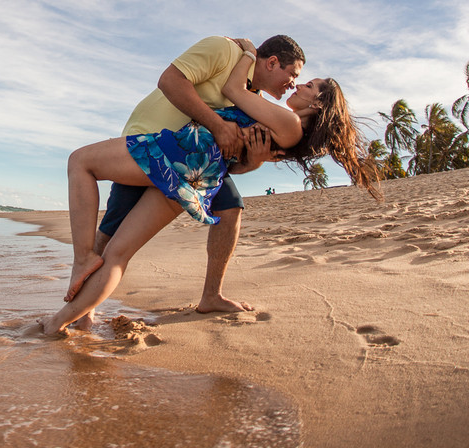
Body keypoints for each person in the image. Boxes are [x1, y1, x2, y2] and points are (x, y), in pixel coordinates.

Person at [39, 44, 379, 337]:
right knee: (118, 254)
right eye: (301, 78)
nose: (300, 85)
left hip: (181, 152)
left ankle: (79, 268)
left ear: (318, 104)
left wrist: (248, 52)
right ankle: (60, 323)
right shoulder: (284, 127)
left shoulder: (289, 124)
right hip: (199, 175)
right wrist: (253, 158)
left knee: (80, 162)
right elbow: (239, 158)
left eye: (310, 85)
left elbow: (233, 89)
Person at [78, 34, 306, 319]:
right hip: (149, 140)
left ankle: (212, 295)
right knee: (112, 228)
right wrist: (217, 125)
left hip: (193, 159)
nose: (294, 83)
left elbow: (231, 162)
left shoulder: (253, 99)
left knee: (231, 206)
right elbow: (169, 81)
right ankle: (82, 310)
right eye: (293, 74)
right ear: (272, 62)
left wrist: (255, 162)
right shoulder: (224, 50)